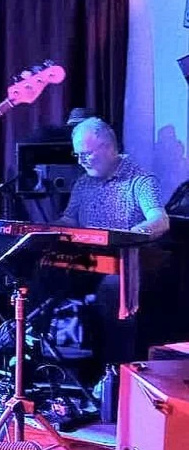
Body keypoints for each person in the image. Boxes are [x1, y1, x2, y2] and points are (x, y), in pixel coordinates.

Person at [55, 117, 169, 365]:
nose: (81, 161)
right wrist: (49, 230)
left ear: (108, 147)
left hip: (125, 264)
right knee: (38, 275)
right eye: (77, 155)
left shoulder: (140, 180)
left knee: (112, 288)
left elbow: (160, 220)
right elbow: (69, 218)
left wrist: (132, 234)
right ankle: (44, 361)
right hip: (85, 260)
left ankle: (115, 371)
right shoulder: (83, 183)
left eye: (86, 154)